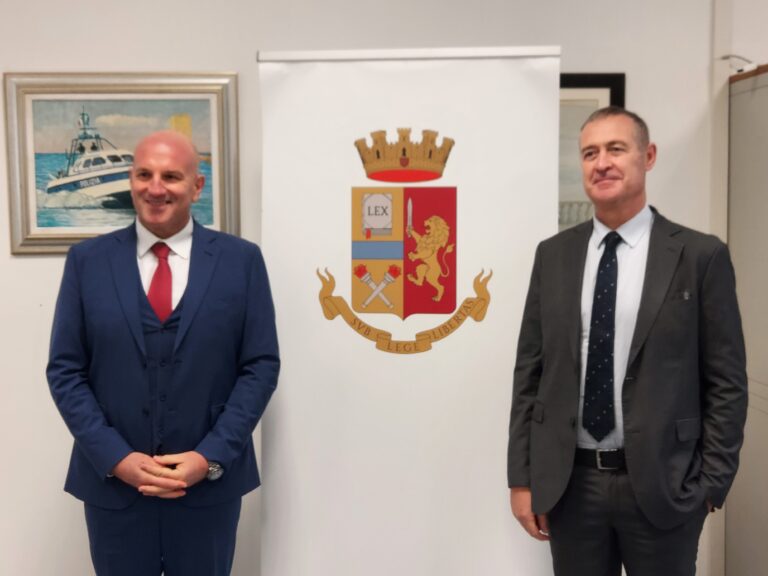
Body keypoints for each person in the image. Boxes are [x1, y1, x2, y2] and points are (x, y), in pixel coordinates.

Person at [507, 107, 747, 576]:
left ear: (648, 156)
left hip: (664, 486)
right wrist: (522, 478)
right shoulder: (553, 256)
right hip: (570, 487)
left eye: (615, 149)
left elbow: (727, 381)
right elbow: (529, 374)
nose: (602, 163)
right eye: (589, 153)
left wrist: (710, 484)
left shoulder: (700, 256)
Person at [47, 130, 280, 576]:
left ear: (197, 186)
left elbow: (260, 366)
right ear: (131, 180)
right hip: (114, 489)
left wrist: (209, 457)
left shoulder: (241, 261)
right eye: (144, 175)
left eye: (171, 176)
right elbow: (65, 370)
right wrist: (115, 457)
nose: (155, 188)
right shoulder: (87, 262)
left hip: (208, 491)